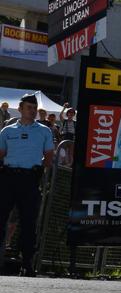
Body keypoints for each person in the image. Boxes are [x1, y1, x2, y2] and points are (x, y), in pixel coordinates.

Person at [0, 94, 54, 277]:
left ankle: (27, 263)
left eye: (34, 107)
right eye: (29, 107)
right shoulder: (7, 131)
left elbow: (48, 157)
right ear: (21, 108)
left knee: (29, 222)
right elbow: (1, 153)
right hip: (8, 177)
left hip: (30, 179)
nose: (32, 111)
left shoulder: (44, 131)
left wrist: (38, 171)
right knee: (1, 219)